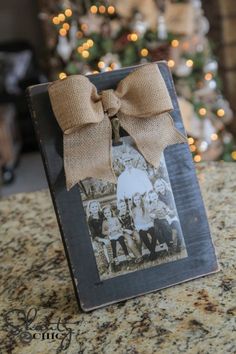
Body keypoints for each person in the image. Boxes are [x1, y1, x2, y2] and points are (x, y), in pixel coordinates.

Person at [131, 193, 157, 261]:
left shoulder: (145, 207)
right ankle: (152, 251)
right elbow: (135, 221)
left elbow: (148, 218)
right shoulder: (133, 210)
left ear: (141, 199)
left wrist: (148, 225)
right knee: (143, 234)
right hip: (140, 226)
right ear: (133, 201)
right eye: (135, 200)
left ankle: (152, 252)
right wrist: (141, 227)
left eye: (138, 199)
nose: (137, 201)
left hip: (148, 224)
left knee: (153, 232)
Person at [87, 200, 111, 268]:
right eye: (93, 207)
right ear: (90, 209)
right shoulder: (90, 220)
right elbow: (93, 235)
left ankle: (112, 264)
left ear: (98, 207)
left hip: (105, 234)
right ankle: (107, 265)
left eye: (96, 206)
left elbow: (108, 220)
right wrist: (102, 240)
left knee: (108, 245)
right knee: (100, 250)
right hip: (97, 238)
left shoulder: (101, 214)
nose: (95, 208)